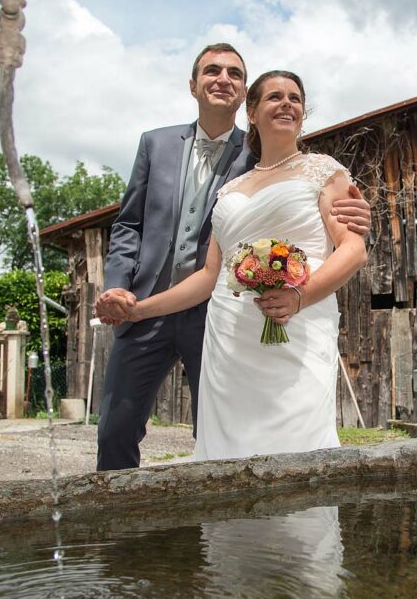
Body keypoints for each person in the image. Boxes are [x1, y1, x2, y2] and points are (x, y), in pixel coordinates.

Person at [94, 45, 370, 470]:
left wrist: (302, 291)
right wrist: (132, 302)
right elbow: (147, 235)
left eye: (295, 98)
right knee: (129, 428)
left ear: (244, 99)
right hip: (198, 316)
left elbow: (349, 241)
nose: (286, 104)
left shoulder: (307, 165)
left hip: (260, 317)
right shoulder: (183, 160)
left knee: (263, 435)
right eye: (212, 70)